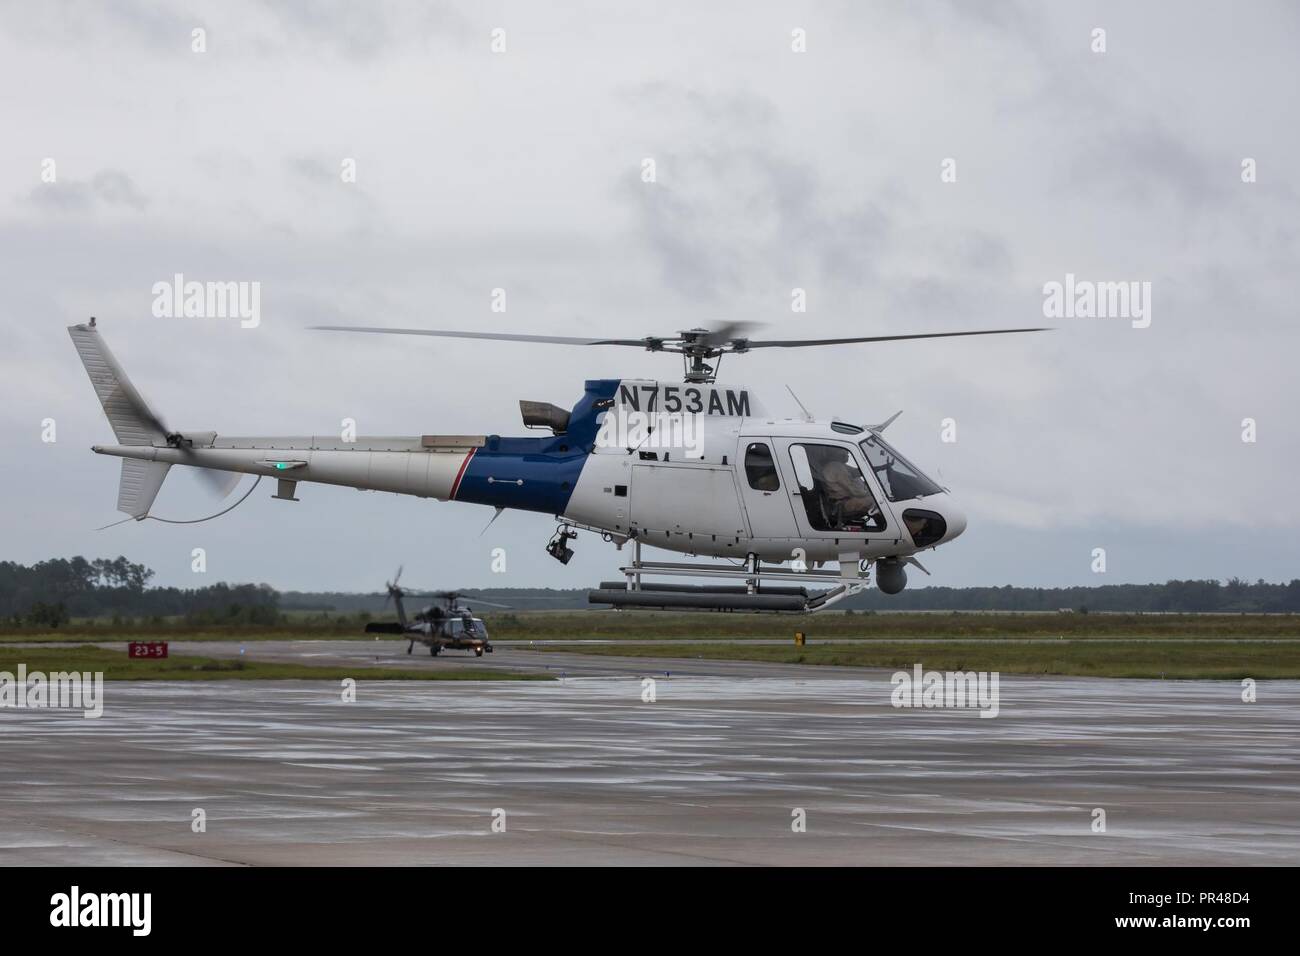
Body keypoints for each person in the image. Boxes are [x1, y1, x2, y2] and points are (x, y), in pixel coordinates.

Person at [818, 450, 878, 526]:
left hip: (844, 501)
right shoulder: (835, 467)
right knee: (877, 502)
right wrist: (871, 493)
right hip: (842, 504)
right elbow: (855, 490)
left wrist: (878, 468)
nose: (847, 454)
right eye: (845, 452)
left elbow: (855, 472)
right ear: (836, 453)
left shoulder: (837, 465)